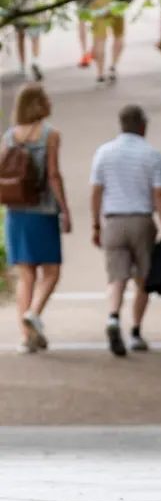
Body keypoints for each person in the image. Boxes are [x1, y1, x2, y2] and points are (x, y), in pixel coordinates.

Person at [89, 104, 161, 357]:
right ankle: (135, 331)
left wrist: (96, 224)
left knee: (117, 277)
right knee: (143, 279)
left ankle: (113, 317)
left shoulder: (103, 152)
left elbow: (96, 191)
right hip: (142, 220)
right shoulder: (153, 155)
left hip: (113, 220)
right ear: (142, 126)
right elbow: (159, 193)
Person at [2, 83, 72, 352]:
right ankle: (34, 312)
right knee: (51, 271)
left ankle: (26, 337)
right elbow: (53, 174)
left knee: (26, 274)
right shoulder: (50, 134)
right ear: (39, 103)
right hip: (43, 210)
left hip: (16, 210)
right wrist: (64, 209)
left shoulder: (10, 136)